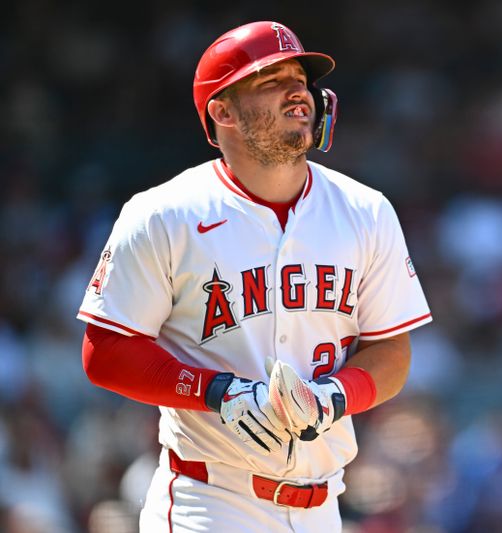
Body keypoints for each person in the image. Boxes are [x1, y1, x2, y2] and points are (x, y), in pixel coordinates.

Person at [77, 20, 432, 532]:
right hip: (210, 501)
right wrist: (219, 391)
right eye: (271, 80)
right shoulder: (164, 215)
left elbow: (392, 353)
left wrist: (335, 396)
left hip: (324, 507)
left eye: (300, 79)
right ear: (223, 111)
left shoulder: (366, 211)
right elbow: (105, 352)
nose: (297, 92)